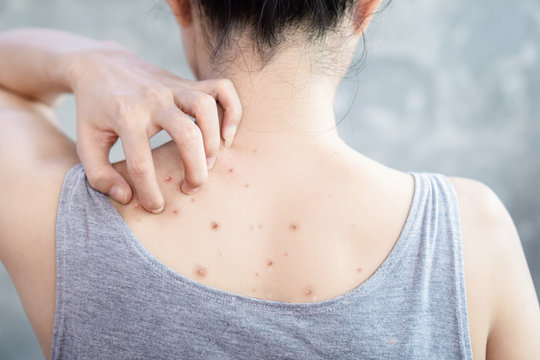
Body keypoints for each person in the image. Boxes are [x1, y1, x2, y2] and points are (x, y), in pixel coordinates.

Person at [0, 0, 538, 359]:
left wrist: (91, 61)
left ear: (181, 5)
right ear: (366, 9)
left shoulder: (68, 213)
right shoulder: (470, 233)